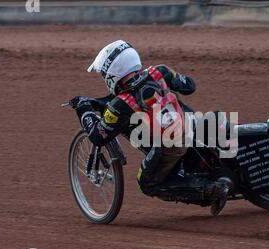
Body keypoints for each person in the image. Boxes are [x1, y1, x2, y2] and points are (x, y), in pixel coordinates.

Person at [70, 40, 231, 215]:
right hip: (193, 124)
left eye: (104, 74)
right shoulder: (159, 72)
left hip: (171, 146)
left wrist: (84, 109)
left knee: (146, 182)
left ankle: (211, 189)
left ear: (113, 72)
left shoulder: (121, 105)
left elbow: (98, 137)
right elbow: (189, 86)